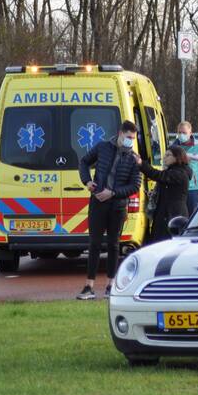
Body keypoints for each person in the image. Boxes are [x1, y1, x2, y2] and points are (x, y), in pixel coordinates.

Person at [77, 121, 141, 300]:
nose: (130, 141)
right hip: (97, 203)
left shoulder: (133, 158)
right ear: (120, 133)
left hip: (118, 206)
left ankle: (110, 285)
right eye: (128, 137)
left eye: (133, 139)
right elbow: (84, 162)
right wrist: (87, 181)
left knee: (114, 245)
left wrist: (112, 193)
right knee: (94, 243)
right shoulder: (102, 147)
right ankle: (89, 286)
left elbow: (135, 185)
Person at [136, 145, 193, 243]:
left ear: (177, 157)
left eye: (168, 155)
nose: (164, 157)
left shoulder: (179, 173)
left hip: (173, 215)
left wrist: (141, 164)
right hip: (165, 214)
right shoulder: (173, 171)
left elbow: (157, 175)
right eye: (165, 155)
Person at [171, 121, 198, 216]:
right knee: (177, 219)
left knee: (193, 217)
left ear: (190, 133)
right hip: (176, 189)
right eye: (179, 132)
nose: (181, 135)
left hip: (193, 190)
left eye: (184, 133)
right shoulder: (173, 148)